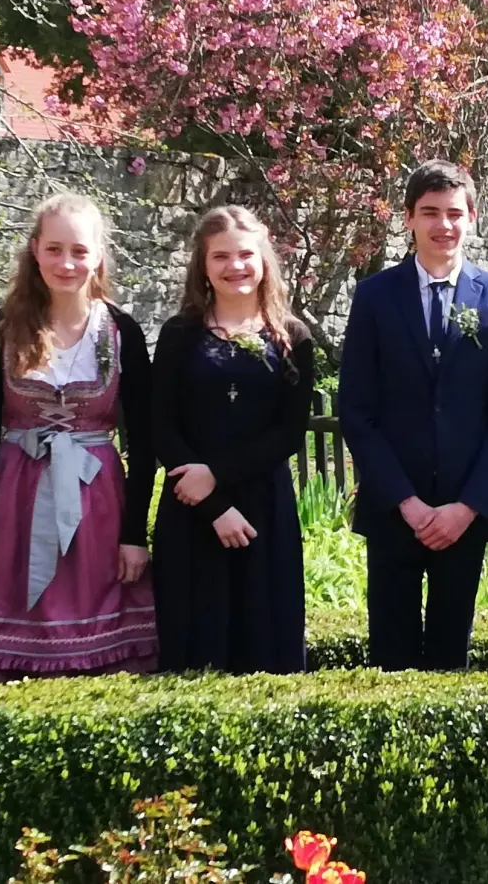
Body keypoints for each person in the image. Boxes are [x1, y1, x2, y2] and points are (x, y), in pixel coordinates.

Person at [337, 160, 488, 671]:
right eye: (430, 212)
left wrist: (467, 506)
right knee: (390, 655)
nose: (444, 225)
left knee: (451, 655)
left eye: (454, 213)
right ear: (409, 218)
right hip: (394, 506)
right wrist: (406, 502)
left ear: (472, 218)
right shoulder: (375, 296)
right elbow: (357, 410)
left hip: (465, 511)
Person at [0, 193, 159, 676]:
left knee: (102, 637)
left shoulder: (121, 332)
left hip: (98, 504)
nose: (66, 263)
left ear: (98, 256)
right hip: (15, 504)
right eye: (54, 249)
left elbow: (144, 443)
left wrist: (135, 536)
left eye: (79, 251)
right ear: (35, 250)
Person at [151, 206, 316, 674]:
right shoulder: (179, 334)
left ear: (263, 260)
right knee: (193, 647)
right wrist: (212, 504)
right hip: (191, 508)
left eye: (245, 255)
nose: (235, 266)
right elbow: (160, 425)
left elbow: (289, 432)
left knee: (265, 642)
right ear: (203, 265)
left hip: (263, 508)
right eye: (220, 256)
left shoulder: (293, 337)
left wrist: (218, 476)